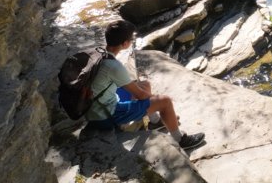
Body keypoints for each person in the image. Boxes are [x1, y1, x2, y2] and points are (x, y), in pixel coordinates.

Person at [85, 20, 206, 150]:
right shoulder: (114, 66)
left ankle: (155, 122)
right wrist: (159, 104)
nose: (132, 41)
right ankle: (181, 140)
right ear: (125, 44)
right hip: (105, 117)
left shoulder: (100, 54)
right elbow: (141, 95)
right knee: (165, 101)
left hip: (96, 108)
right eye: (131, 39)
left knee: (144, 84)